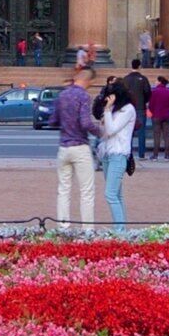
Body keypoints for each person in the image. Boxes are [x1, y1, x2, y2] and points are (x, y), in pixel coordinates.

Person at [50, 62, 100, 228]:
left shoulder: (62, 95)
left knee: (63, 189)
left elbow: (53, 121)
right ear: (89, 81)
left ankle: (63, 227)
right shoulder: (84, 96)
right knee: (86, 191)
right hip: (80, 146)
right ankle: (87, 229)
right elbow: (86, 122)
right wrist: (101, 132)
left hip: (64, 147)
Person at [95, 72, 144, 234]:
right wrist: (105, 114)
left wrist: (108, 111)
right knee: (117, 194)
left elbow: (112, 129)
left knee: (110, 194)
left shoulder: (128, 110)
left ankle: (120, 230)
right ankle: (121, 227)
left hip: (119, 154)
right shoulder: (116, 110)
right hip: (109, 153)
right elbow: (104, 131)